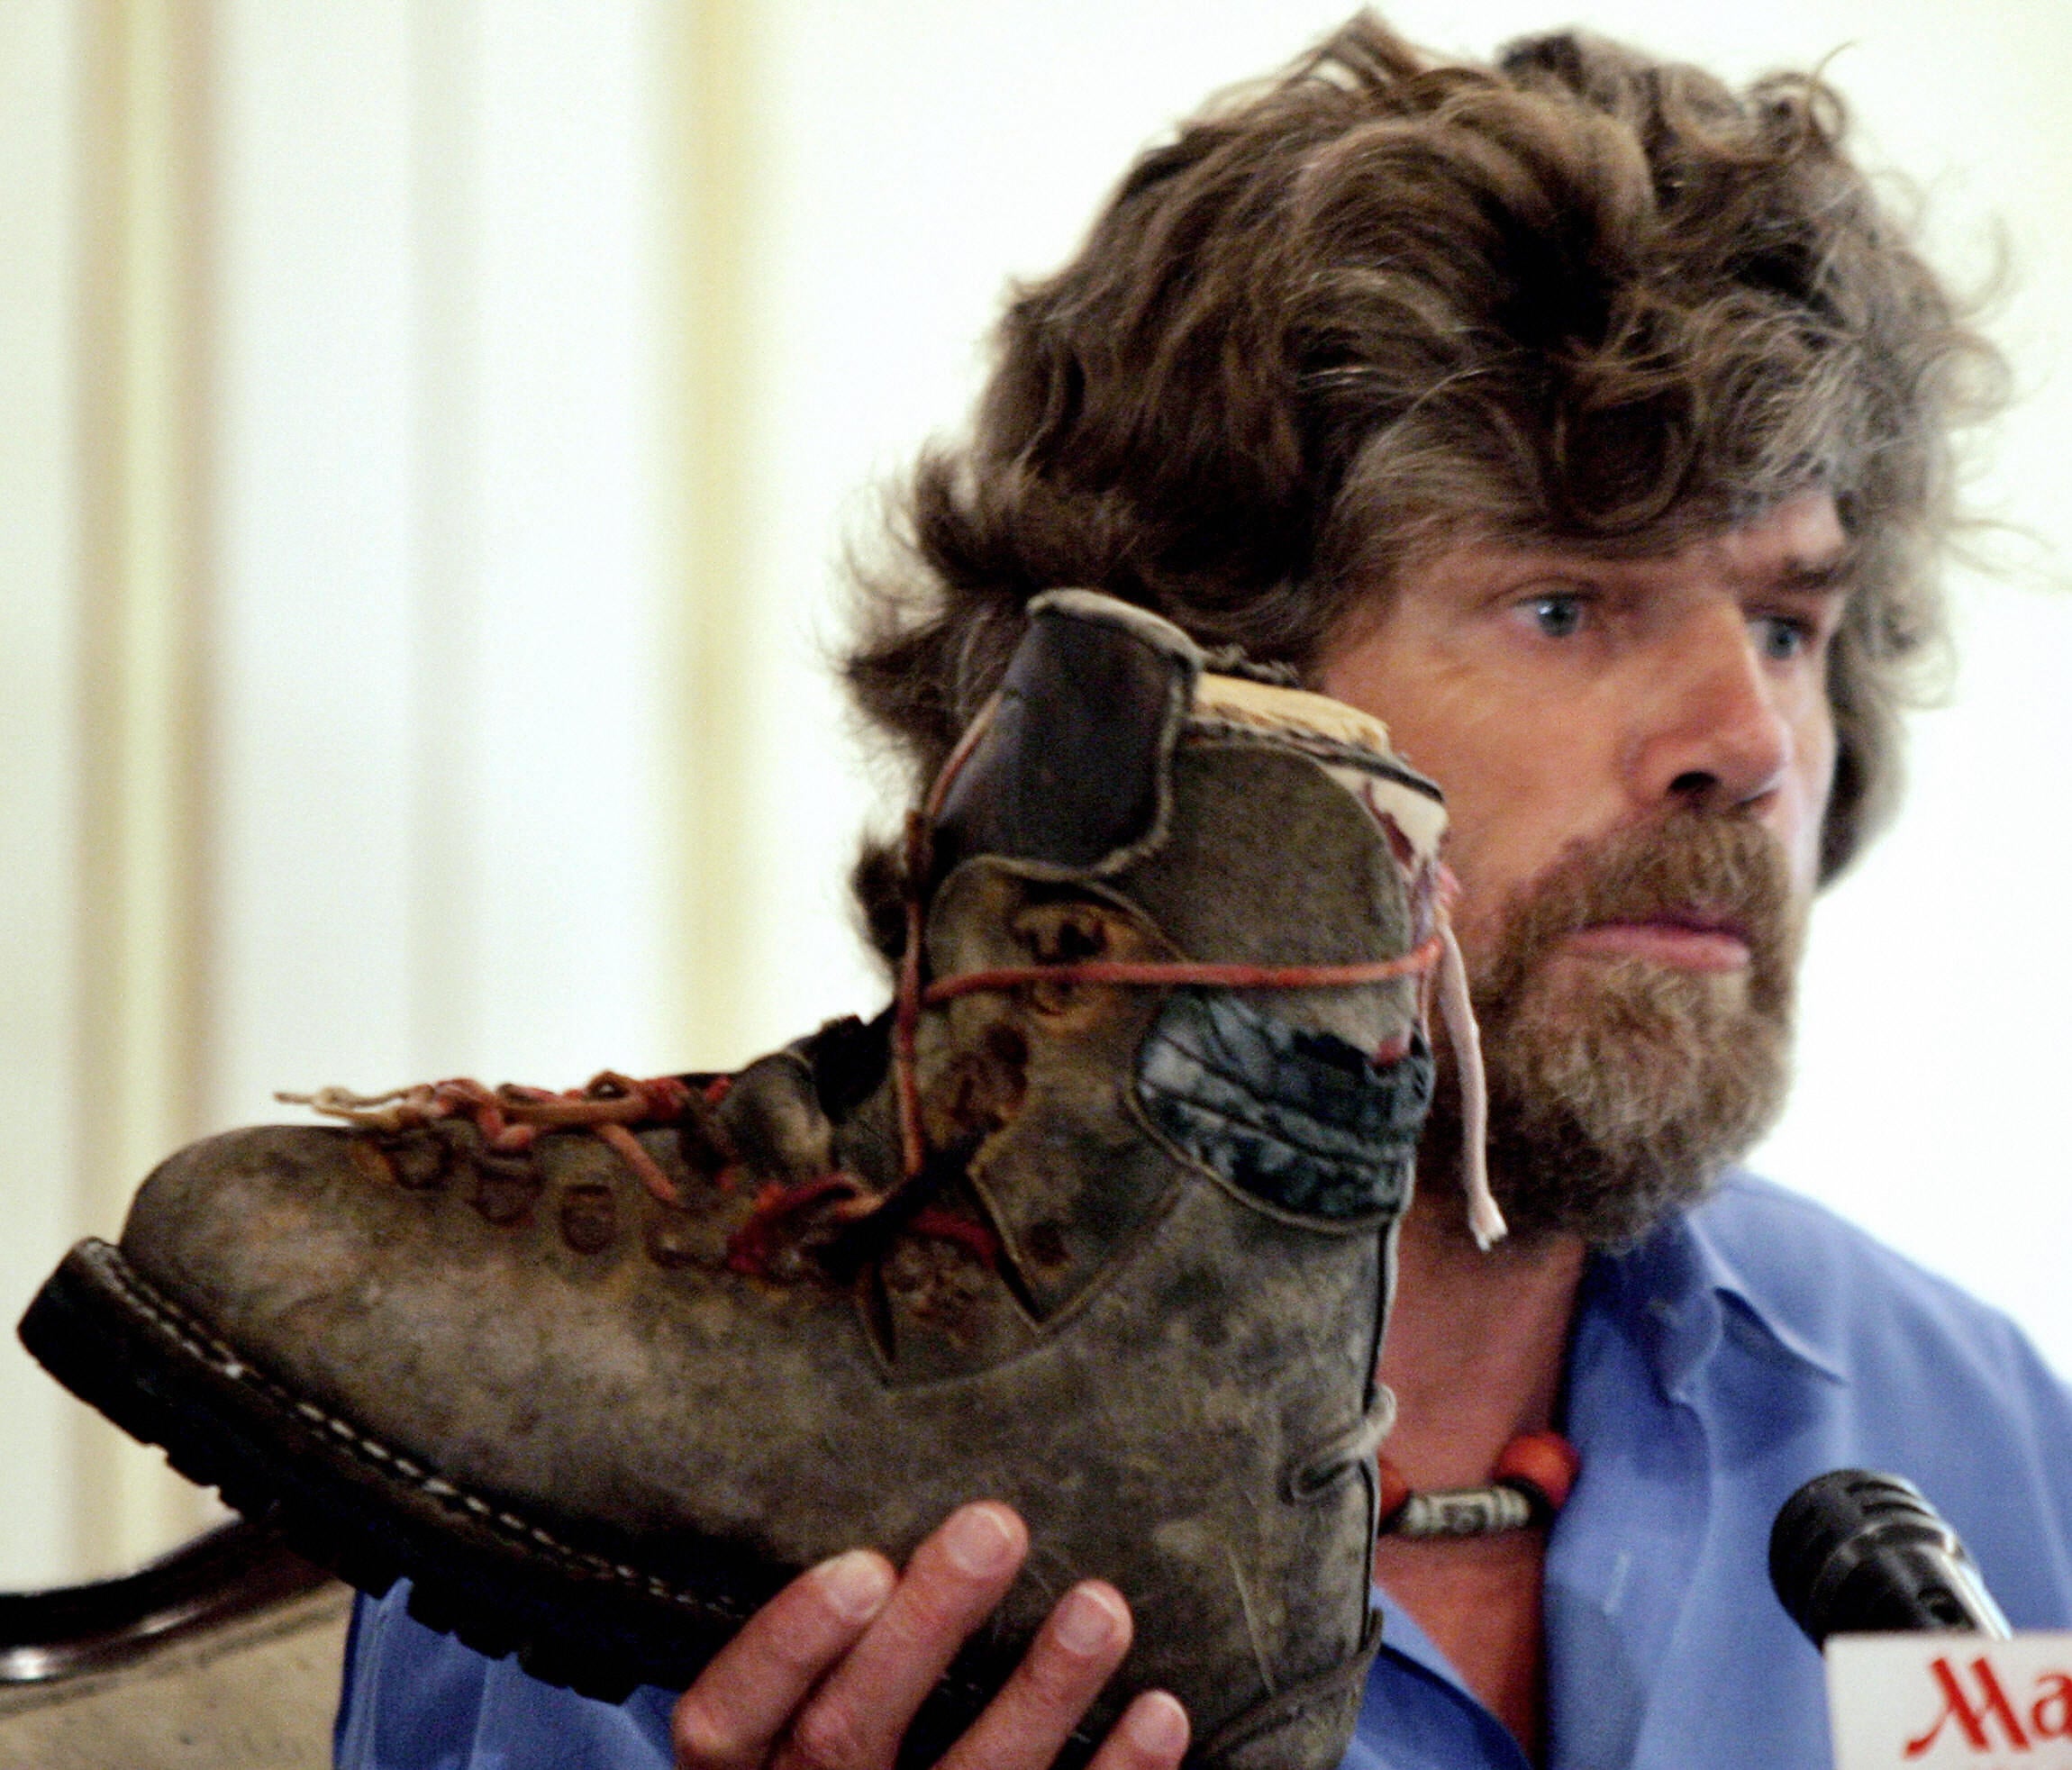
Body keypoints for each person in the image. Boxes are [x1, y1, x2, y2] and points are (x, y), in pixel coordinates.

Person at [333, 13, 2072, 1770]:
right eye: (1566, 603)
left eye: (1786, 622)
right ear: (1193, 706)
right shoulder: (655, 1504)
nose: (1749, 736)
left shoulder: (1965, 1420)